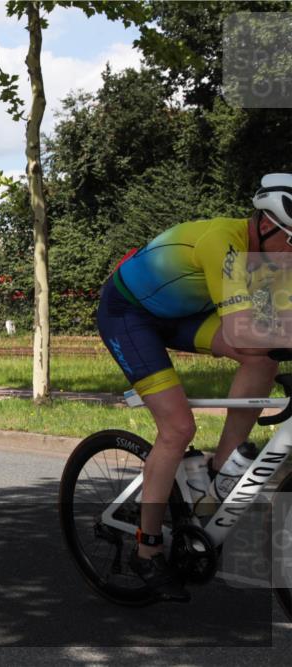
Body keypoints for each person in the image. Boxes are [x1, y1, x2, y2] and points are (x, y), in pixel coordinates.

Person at [97, 173, 292, 601]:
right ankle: (146, 550)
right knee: (178, 428)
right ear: (265, 225)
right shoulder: (223, 243)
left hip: (182, 314)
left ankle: (221, 470)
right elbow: (243, 333)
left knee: (264, 357)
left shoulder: (272, 258)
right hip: (128, 313)